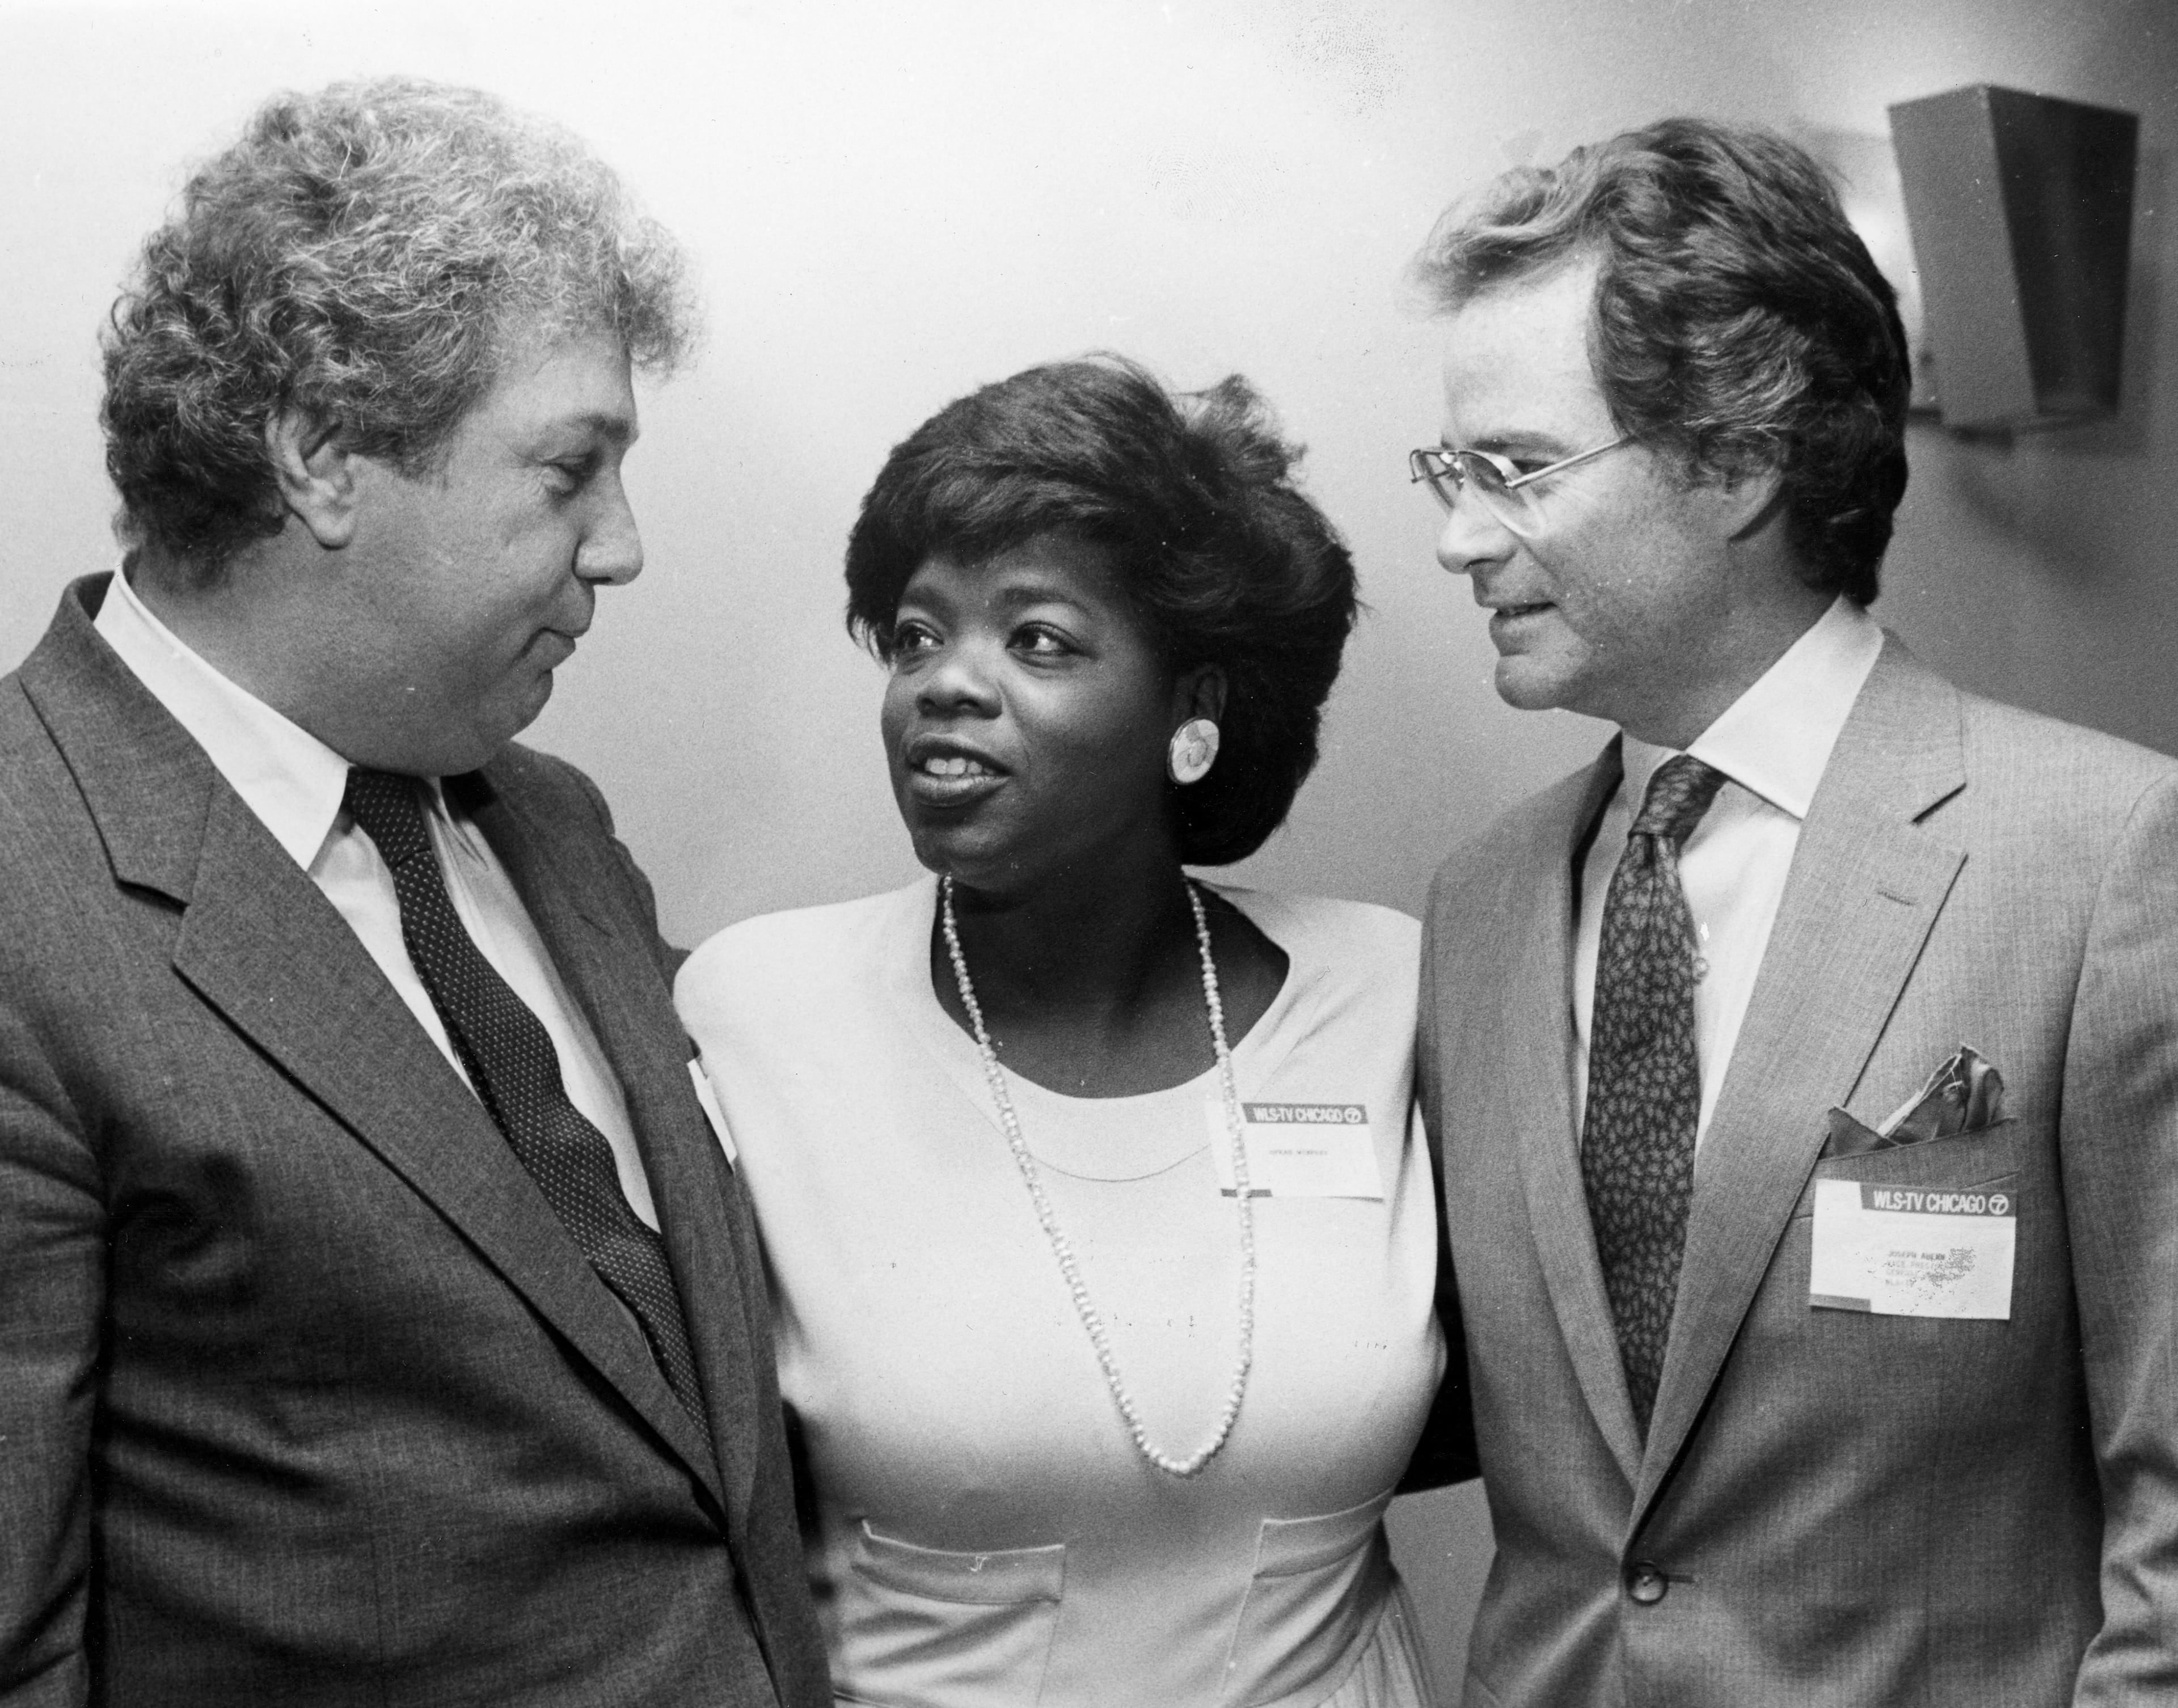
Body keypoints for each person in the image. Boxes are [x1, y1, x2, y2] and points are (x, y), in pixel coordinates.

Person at [0, 78, 828, 1706]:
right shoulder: (24, 891)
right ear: (322, 456)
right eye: (571, 466)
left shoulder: (554, 825)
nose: (623, 547)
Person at [1408, 115, 2178, 1707]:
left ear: (1739, 463)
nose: (1458, 536)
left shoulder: (2106, 858)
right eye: (1450, 472)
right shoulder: (1480, 905)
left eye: (1516, 471)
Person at [677, 354, 1462, 1707]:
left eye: (1036, 640)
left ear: (1193, 722)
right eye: (918, 635)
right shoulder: (760, 1010)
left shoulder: (1394, 993)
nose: (947, 684)